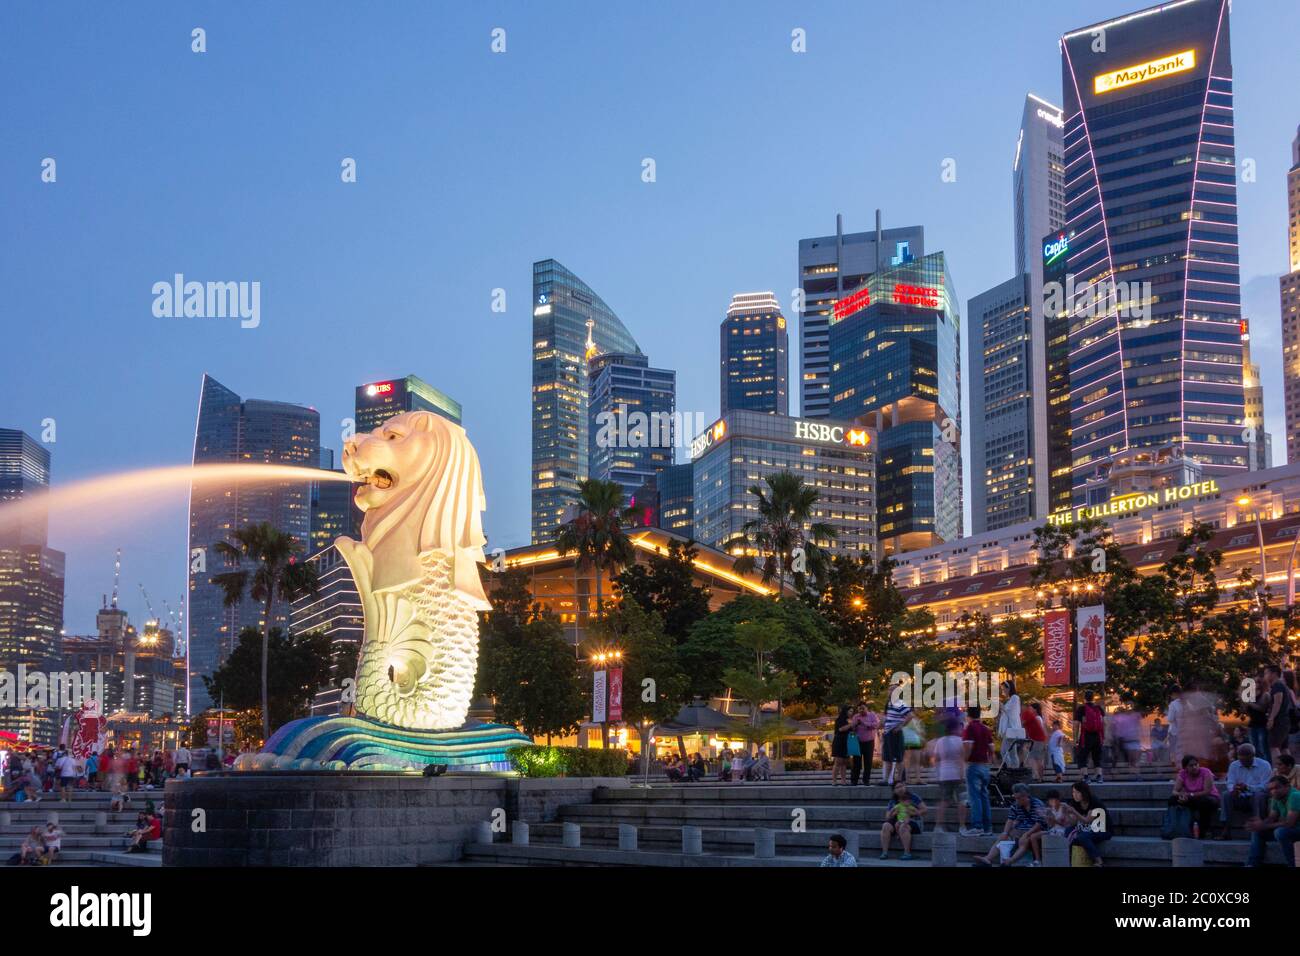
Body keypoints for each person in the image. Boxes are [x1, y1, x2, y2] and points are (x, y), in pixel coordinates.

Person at [973, 783, 1044, 867]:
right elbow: (1010, 819)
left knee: (1024, 840)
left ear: (1026, 796)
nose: (1017, 800)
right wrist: (1005, 833)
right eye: (1015, 798)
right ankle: (988, 859)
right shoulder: (1015, 805)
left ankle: (1010, 861)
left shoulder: (1037, 804)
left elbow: (1039, 823)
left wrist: (1027, 833)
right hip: (1020, 829)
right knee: (1003, 837)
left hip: (1033, 830)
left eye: (1019, 798)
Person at [1218, 743, 1272, 840]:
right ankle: (1226, 828)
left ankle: (1258, 827)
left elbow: (1266, 786)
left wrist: (1248, 787)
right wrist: (1233, 789)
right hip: (1240, 796)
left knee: (1258, 795)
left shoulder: (1264, 765)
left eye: (1245, 760)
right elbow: (1230, 782)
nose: (1242, 762)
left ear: (1252, 756)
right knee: (1226, 795)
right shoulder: (1234, 765)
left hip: (1256, 797)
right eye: (1240, 759)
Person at [1245, 774, 1299, 868]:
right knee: (1258, 831)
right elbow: (1271, 818)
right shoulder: (1276, 797)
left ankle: (1292, 864)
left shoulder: (1295, 795)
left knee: (1281, 832)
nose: (1273, 791)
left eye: (1277, 788)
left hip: (1296, 828)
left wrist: (1263, 826)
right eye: (1271, 789)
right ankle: (1252, 864)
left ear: (1287, 786)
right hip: (1291, 829)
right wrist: (1259, 824)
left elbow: (1289, 823)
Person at [961, 706, 994, 836]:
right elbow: (991, 748)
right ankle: (987, 827)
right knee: (984, 796)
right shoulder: (986, 729)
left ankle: (977, 826)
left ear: (968, 715)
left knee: (974, 797)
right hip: (984, 766)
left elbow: (968, 746)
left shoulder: (969, 728)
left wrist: (964, 760)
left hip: (973, 765)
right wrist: (989, 760)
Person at [1171, 754, 1220, 838]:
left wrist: (1189, 795)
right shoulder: (1183, 773)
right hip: (1192, 799)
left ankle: (1204, 830)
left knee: (1204, 802)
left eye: (1196, 764)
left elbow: (1207, 791)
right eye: (1191, 765)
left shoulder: (1206, 772)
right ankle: (1175, 828)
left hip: (1210, 798)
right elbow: (1174, 791)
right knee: (1172, 799)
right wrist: (1182, 796)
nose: (1194, 767)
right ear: (1185, 767)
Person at [932, 717, 967, 833]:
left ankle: (938, 826)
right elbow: (962, 759)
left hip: (944, 774)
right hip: (957, 774)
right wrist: (962, 774)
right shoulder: (960, 741)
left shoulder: (940, 741)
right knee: (961, 801)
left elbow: (936, 759)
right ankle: (962, 826)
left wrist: (937, 773)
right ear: (955, 728)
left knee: (943, 801)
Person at [1064, 780, 1111, 866]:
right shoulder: (1076, 803)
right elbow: (1073, 823)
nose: (1074, 795)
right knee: (1068, 830)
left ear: (1084, 792)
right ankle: (1070, 858)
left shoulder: (1094, 802)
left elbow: (1087, 820)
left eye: (1077, 792)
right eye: (1073, 792)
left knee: (1083, 837)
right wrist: (1066, 813)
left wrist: (1074, 811)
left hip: (1102, 829)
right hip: (1086, 828)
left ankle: (1099, 861)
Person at [880, 781, 926, 860]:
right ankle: (884, 853)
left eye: (902, 786)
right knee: (885, 826)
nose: (900, 789)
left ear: (905, 787)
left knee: (903, 826)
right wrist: (894, 813)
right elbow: (887, 817)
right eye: (897, 787)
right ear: (894, 790)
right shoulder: (893, 801)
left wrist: (912, 813)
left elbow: (924, 810)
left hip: (913, 821)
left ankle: (907, 853)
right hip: (897, 821)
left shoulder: (913, 797)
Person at [1263, 664, 1296, 762]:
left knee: (1274, 747)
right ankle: (1290, 769)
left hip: (1279, 721)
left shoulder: (1278, 685)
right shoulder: (1280, 685)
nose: (1265, 676)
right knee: (1284, 748)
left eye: (1266, 673)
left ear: (1274, 674)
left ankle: (1279, 769)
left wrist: (1271, 718)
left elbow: (1278, 702)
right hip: (1284, 721)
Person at [1074, 690, 1106, 783]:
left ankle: (1086, 776)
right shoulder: (1099, 708)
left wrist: (1075, 738)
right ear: (1093, 698)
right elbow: (1105, 723)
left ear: (1085, 698)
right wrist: (1104, 736)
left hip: (1085, 736)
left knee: (1082, 756)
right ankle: (1099, 776)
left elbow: (1076, 725)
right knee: (1097, 757)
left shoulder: (1081, 709)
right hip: (1098, 736)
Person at [881, 693, 913, 785]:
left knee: (898, 757)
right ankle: (886, 780)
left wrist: (900, 727)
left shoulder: (900, 703)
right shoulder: (889, 704)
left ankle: (900, 779)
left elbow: (910, 715)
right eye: (889, 690)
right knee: (887, 757)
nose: (889, 692)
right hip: (888, 733)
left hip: (895, 733)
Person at [997, 679, 1025, 769]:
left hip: (1011, 729)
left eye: (1003, 688)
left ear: (1008, 688)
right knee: (1011, 751)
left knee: (1004, 751)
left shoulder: (1015, 698)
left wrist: (1001, 705)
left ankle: (1011, 768)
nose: (1003, 691)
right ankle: (1013, 768)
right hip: (1010, 729)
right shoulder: (1012, 698)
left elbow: (1009, 712)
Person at [849, 703, 878, 787]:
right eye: (859, 709)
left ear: (867, 708)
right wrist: (856, 724)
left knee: (868, 762)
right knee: (856, 762)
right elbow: (852, 728)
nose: (861, 710)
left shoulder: (872, 715)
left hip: (869, 742)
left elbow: (875, 725)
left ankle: (866, 780)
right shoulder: (855, 717)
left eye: (863, 708)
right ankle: (854, 781)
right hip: (857, 742)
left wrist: (864, 723)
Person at [1023, 701, 1047, 782]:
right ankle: (1040, 777)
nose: (1030, 710)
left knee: (1035, 759)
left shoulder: (1037, 718)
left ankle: (1037, 776)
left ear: (1035, 709)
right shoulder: (1039, 718)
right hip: (1039, 741)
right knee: (1037, 759)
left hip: (1037, 741)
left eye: (1031, 709)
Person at [830, 705, 852, 786]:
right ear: (845, 711)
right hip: (839, 741)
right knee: (838, 761)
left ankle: (843, 780)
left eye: (852, 711)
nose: (851, 713)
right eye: (850, 711)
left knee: (844, 762)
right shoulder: (839, 720)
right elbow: (841, 729)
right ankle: (834, 780)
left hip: (847, 741)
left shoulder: (849, 720)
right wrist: (851, 724)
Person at [1047, 718, 1066, 783]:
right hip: (1053, 751)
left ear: (1057, 725)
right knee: (1055, 764)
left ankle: (1059, 778)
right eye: (1053, 725)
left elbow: (1061, 737)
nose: (1053, 727)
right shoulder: (1055, 732)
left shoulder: (1058, 732)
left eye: (1054, 725)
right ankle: (1058, 777)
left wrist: (1059, 743)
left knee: (1057, 764)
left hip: (1056, 752)